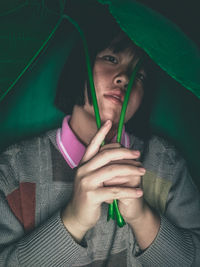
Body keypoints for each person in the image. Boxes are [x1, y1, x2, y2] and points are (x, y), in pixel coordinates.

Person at [0, 3, 200, 267]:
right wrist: (72, 220)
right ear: (78, 67)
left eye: (139, 75)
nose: (124, 78)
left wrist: (142, 217)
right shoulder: (13, 171)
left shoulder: (168, 165)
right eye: (111, 59)